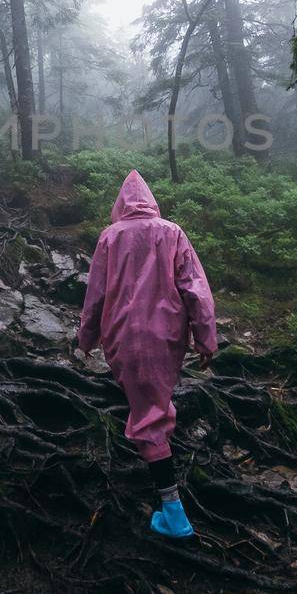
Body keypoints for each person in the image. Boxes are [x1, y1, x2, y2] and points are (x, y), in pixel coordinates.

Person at [76, 170, 218, 539]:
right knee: (152, 405)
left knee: (148, 414)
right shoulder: (172, 232)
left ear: (121, 203)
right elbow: (195, 289)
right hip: (167, 335)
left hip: (124, 333)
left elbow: (96, 293)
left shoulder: (110, 236)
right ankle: (169, 499)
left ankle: (174, 515)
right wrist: (205, 338)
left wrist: (86, 337)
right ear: (151, 201)